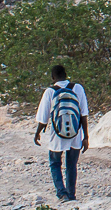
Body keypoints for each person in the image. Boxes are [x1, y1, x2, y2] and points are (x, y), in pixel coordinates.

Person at [33, 64, 89, 202]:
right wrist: (86, 137)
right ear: (66, 74)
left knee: (55, 163)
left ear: (53, 77)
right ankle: (71, 194)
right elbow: (83, 114)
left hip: (57, 134)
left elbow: (43, 118)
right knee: (71, 165)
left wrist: (37, 133)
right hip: (75, 134)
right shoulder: (78, 88)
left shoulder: (50, 92)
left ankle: (62, 194)